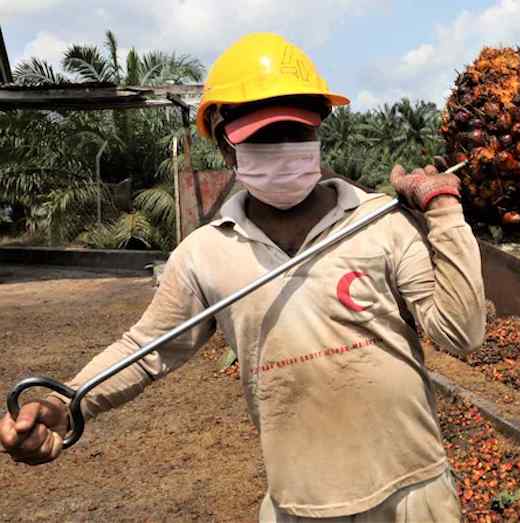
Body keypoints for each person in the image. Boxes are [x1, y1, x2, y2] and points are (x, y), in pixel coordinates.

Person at [1, 33, 486, 522]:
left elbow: (460, 333)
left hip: (415, 494)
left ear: (318, 132)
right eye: (261, 136)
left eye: (295, 133)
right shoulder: (204, 254)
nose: (282, 149)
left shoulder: (379, 222)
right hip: (301, 505)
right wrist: (67, 403)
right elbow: (143, 349)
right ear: (225, 145)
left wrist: (444, 210)